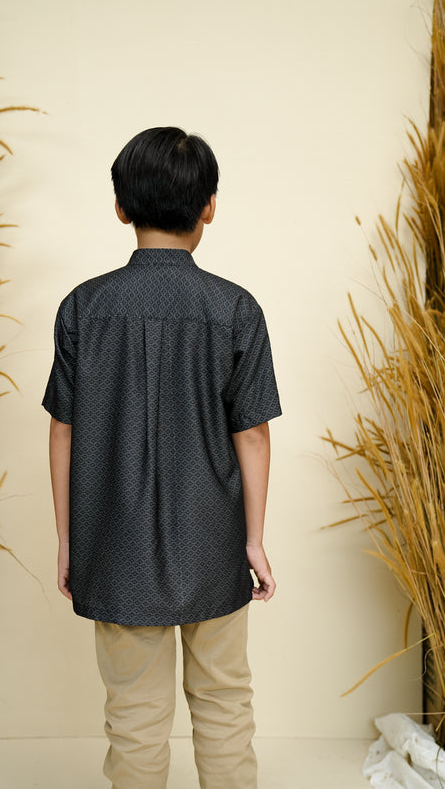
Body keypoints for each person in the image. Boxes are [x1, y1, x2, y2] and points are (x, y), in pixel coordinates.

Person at [42, 126, 282, 789]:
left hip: (115, 546)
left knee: (134, 716)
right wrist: (254, 540)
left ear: (121, 207)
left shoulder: (83, 307)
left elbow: (62, 431)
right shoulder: (236, 309)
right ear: (209, 207)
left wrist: (69, 540)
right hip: (213, 540)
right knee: (225, 703)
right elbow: (253, 436)